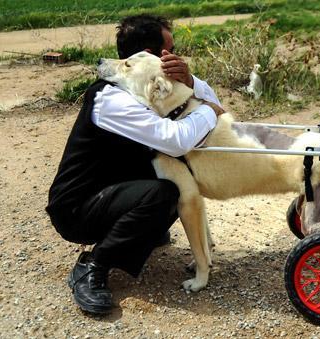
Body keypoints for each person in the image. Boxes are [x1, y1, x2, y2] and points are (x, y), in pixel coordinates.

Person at [46, 14, 223, 315]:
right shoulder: (112, 99)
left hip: (111, 190)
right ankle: (93, 267)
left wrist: (190, 81)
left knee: (177, 174)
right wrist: (210, 111)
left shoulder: (144, 87)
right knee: (165, 193)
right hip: (78, 208)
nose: (175, 55)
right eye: (170, 50)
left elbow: (201, 106)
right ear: (149, 57)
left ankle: (140, 231)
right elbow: (177, 138)